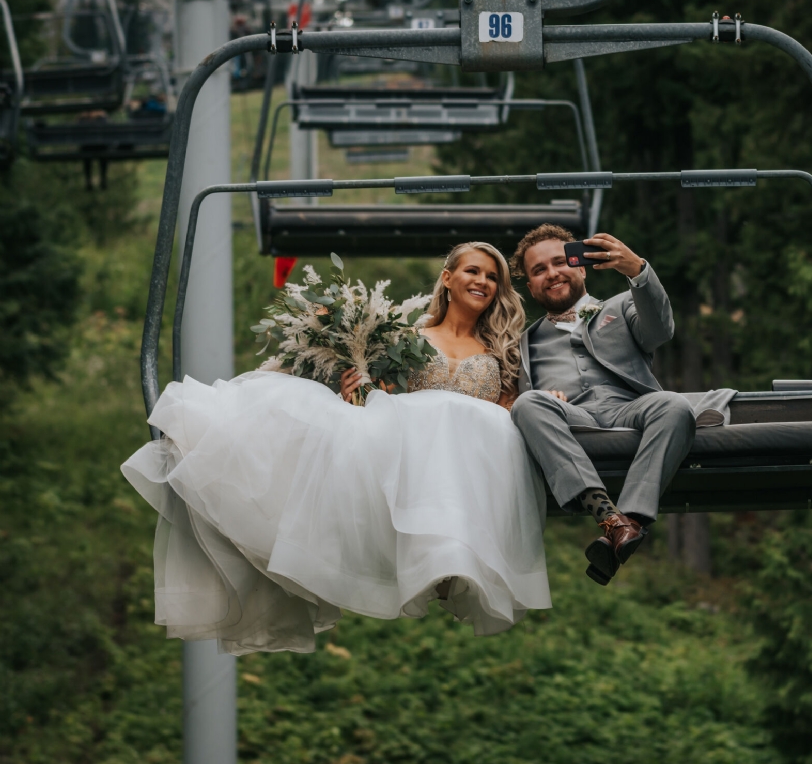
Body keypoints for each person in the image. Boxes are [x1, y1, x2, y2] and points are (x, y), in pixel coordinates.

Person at [121, 242, 551, 654]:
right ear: (448, 278)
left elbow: (508, 403)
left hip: (474, 457)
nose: (483, 281)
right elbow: (385, 394)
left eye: (492, 277)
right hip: (419, 447)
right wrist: (357, 390)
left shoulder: (503, 347)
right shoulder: (409, 335)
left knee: (472, 424)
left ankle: (449, 560)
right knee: (314, 415)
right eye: (473, 271)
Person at [509, 224, 695, 586]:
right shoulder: (523, 343)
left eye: (558, 262)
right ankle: (610, 517)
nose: (551, 273)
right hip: (573, 421)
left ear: (579, 267)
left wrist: (637, 271)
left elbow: (660, 331)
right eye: (539, 270)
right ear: (531, 287)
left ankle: (623, 525)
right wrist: (546, 398)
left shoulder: (622, 305)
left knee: (674, 405)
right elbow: (515, 402)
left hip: (631, 408)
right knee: (529, 403)